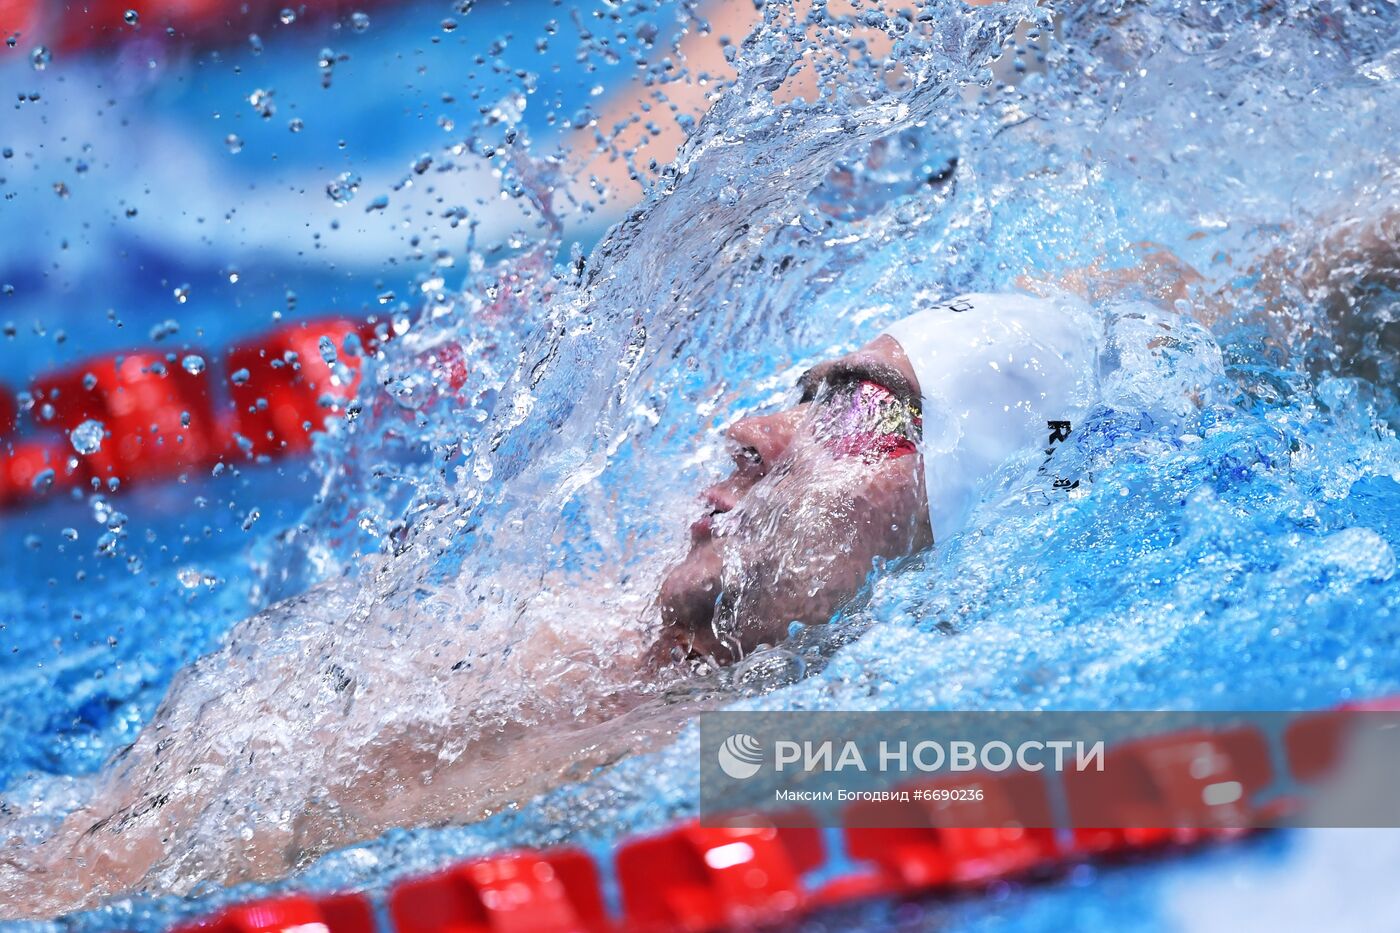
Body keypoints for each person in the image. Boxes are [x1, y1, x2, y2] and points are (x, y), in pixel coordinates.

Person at [2, 208, 1396, 918]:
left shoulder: (817, 757)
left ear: (956, 538)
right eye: (804, 387)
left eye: (860, 411)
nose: (749, 432)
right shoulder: (546, 641)